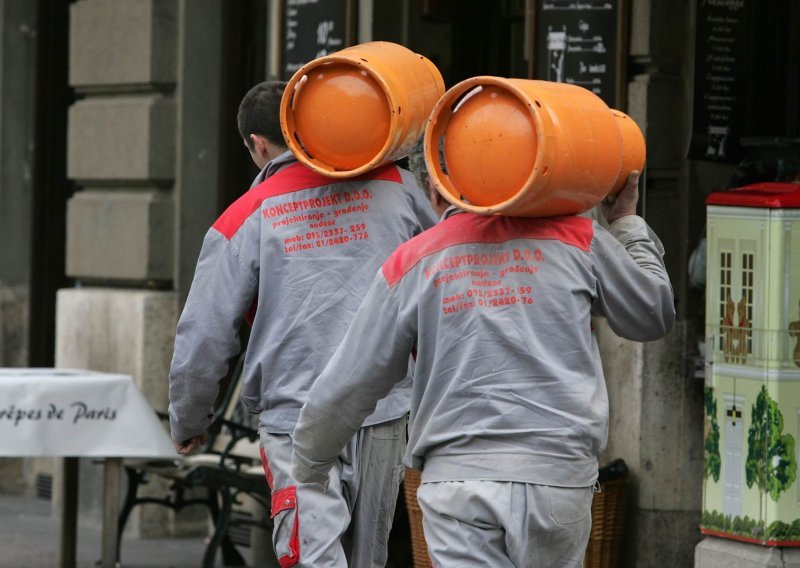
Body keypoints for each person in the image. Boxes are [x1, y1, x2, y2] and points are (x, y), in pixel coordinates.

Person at [291, 160, 675, 566]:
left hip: (458, 483)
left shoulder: (416, 259)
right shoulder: (579, 238)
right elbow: (652, 313)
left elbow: (352, 380)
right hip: (556, 479)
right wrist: (626, 223)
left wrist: (309, 465)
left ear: (435, 190)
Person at [168, 80, 438, 567]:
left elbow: (203, 335)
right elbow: (446, 264)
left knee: (311, 554)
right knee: (367, 557)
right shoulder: (398, 186)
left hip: (296, 412)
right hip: (384, 407)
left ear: (258, 144)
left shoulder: (244, 216)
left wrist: (190, 419)